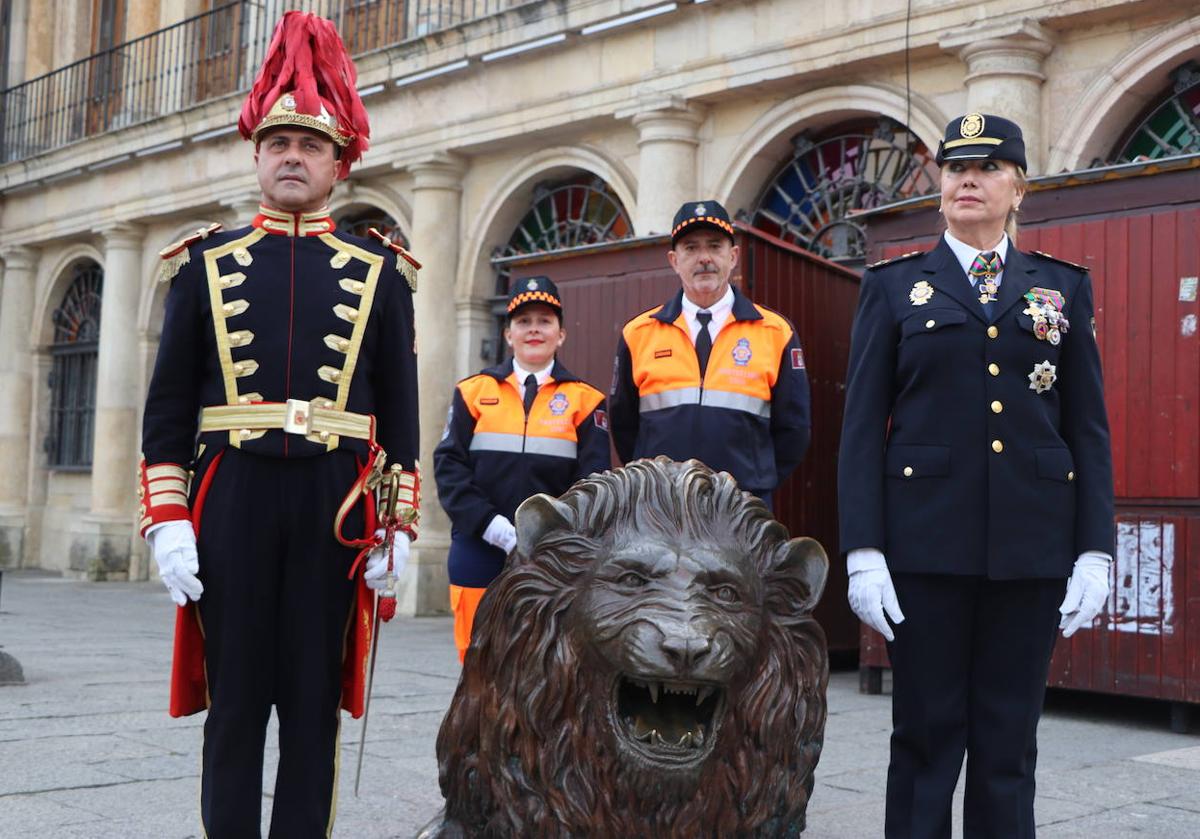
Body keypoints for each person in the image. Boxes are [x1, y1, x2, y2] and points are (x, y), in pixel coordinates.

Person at [138, 12, 420, 836]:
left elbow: (398, 410)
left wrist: (398, 526)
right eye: (278, 144)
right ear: (257, 157)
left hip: (336, 507)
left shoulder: (382, 273)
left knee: (311, 705)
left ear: (340, 164)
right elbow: (167, 407)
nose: (293, 157)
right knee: (234, 707)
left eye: (311, 147)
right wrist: (166, 519)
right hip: (233, 498)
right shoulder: (204, 262)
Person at [838, 113, 1115, 838]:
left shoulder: (1060, 288)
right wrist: (864, 549)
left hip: (1030, 552)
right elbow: (864, 428)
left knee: (1007, 747)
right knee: (925, 741)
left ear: (1019, 187)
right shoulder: (897, 288)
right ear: (938, 187)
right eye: (955, 167)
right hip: (924, 552)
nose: (969, 178)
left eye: (989, 167)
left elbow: (1086, 429)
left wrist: (1095, 548)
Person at [433, 276, 609, 661]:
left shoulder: (586, 400)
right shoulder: (472, 392)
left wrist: (551, 533)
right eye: (523, 321)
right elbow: (450, 468)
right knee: (479, 663)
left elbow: (593, 483)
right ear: (508, 333)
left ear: (561, 334)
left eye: (544, 321)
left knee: (547, 663)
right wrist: (491, 526)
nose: (534, 329)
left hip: (554, 554)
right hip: (479, 547)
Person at [609, 200, 810, 508]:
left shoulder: (775, 332)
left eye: (714, 246)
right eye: (691, 249)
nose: (704, 258)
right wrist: (654, 482)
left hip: (742, 508)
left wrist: (753, 482)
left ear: (733, 257)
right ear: (675, 261)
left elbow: (794, 429)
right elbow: (624, 425)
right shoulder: (638, 334)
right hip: (659, 508)